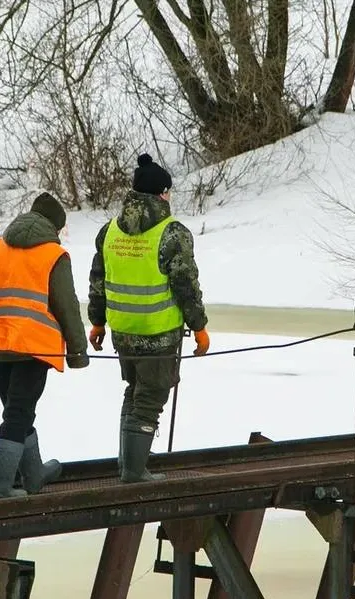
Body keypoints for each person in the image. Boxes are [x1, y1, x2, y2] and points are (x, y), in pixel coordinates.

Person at [87, 153, 210, 484]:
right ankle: (134, 471)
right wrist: (199, 326)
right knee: (150, 398)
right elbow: (185, 285)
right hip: (159, 332)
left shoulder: (109, 231)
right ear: (162, 193)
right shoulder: (172, 234)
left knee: (135, 391)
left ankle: (128, 463)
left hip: (123, 331)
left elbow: (98, 280)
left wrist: (97, 321)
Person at [0, 192, 90, 499]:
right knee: (18, 413)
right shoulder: (53, 255)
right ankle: (0, 488)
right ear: (56, 227)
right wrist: (77, 351)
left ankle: (33, 476)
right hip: (33, 347)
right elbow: (67, 305)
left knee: (18, 410)